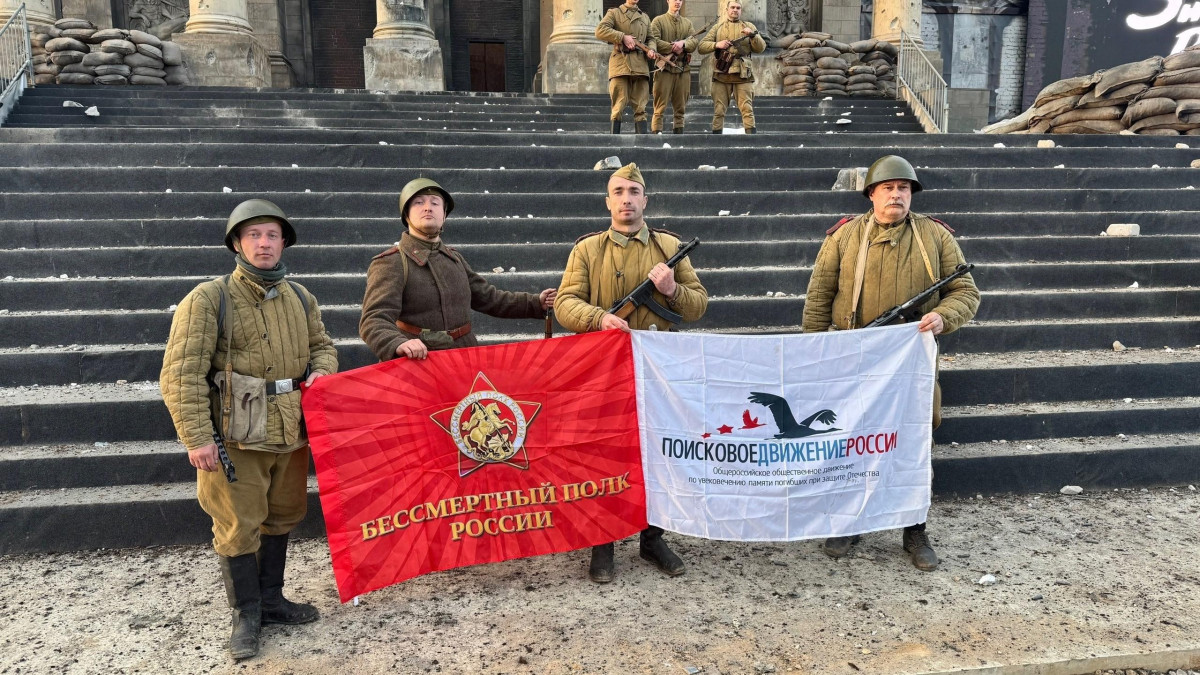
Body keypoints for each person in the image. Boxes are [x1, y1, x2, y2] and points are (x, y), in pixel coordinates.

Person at [160, 199, 338, 661]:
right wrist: (197, 438)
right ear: (237, 244)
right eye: (254, 235)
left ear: (283, 243)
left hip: (290, 430)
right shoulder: (208, 299)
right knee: (237, 523)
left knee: (283, 514)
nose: (264, 243)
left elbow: (322, 346)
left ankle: (272, 601)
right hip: (235, 434)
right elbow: (181, 374)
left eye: (272, 235)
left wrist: (322, 370)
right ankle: (246, 615)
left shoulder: (301, 297)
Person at [801, 155, 981, 571]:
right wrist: (814, 356)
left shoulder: (935, 236)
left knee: (913, 442)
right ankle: (851, 521)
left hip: (910, 361)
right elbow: (819, 297)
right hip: (855, 357)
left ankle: (914, 528)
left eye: (904, 188)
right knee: (853, 440)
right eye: (888, 188)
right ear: (871, 194)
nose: (896, 195)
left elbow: (966, 291)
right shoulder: (844, 237)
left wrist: (943, 316)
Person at [555, 162, 708, 582]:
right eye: (619, 192)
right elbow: (565, 303)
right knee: (603, 453)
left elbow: (698, 305)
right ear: (608, 202)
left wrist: (672, 290)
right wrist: (598, 318)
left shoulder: (669, 246)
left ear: (645, 200)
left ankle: (652, 537)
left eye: (634, 192)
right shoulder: (587, 250)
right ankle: (603, 542)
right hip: (604, 369)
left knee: (656, 452)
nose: (627, 199)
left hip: (657, 372)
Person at [359, 178, 556, 361]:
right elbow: (374, 319)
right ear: (406, 214)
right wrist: (398, 343)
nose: (428, 207)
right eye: (419, 202)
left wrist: (535, 302)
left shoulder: (454, 259)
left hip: (464, 359)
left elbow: (490, 298)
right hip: (418, 363)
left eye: (435, 203)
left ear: (444, 215)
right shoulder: (392, 262)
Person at [697, 0, 766, 134]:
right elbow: (701, 47)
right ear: (727, 10)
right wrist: (717, 44)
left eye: (738, 8)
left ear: (741, 10)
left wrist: (753, 35)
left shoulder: (749, 26)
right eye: (732, 7)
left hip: (743, 74)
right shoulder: (718, 27)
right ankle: (716, 137)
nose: (735, 10)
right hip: (722, 73)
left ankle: (752, 139)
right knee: (719, 110)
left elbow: (761, 48)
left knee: (747, 109)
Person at [596, 0, 658, 134]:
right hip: (621, 64)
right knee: (618, 106)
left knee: (641, 108)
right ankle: (614, 141)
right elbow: (600, 31)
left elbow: (651, 38)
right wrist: (622, 37)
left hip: (640, 65)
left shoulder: (645, 17)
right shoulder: (614, 13)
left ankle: (641, 141)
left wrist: (651, 49)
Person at [649, 0, 699, 134]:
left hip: (683, 69)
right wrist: (672, 47)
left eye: (680, 0)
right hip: (664, 69)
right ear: (668, 1)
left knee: (681, 107)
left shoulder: (687, 23)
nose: (677, 2)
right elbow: (653, 40)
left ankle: (678, 134)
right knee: (659, 106)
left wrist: (683, 44)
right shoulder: (658, 21)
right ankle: (656, 133)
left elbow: (694, 41)